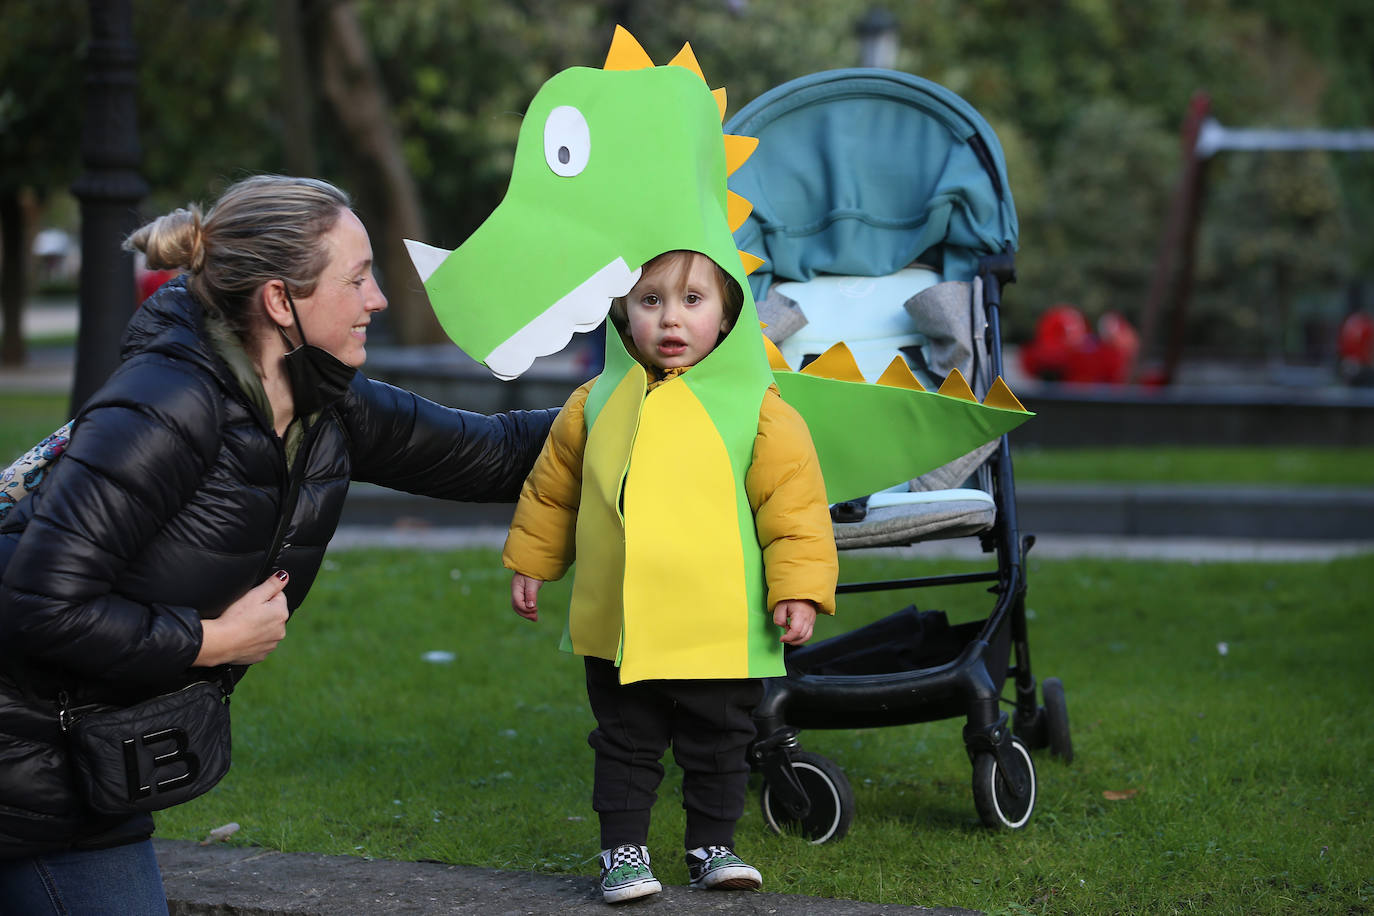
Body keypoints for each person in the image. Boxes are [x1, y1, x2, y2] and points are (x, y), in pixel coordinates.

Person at [0, 174, 556, 914]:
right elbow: (37, 602)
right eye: (357, 279)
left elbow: (496, 452)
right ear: (278, 301)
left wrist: (666, 396)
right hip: (22, 757)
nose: (378, 299)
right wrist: (211, 639)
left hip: (84, 768)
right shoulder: (165, 407)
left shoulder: (323, 406)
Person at [502, 249, 837, 904]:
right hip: (621, 624)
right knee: (625, 741)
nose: (670, 320)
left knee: (719, 741)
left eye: (692, 300)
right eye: (650, 300)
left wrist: (797, 586)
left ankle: (713, 846)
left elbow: (794, 508)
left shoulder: (759, 409)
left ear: (727, 314)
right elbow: (553, 492)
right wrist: (534, 562)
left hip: (719, 623)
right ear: (623, 312)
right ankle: (621, 853)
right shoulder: (595, 402)